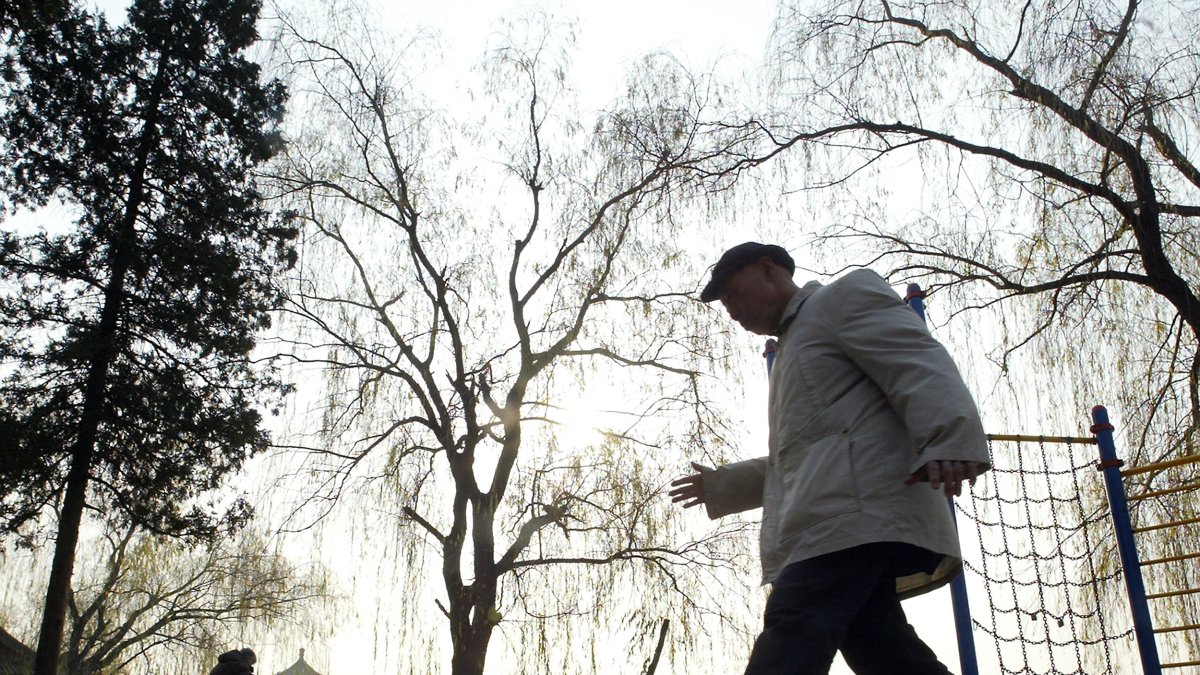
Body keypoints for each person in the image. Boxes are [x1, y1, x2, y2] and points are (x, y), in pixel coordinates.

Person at [669, 242, 990, 674]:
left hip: (852, 514)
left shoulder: (840, 298)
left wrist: (949, 437)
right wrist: (723, 485)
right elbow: (802, 456)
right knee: (885, 652)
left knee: (794, 627)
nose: (730, 309)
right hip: (837, 516)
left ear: (767, 269)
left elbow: (917, 360)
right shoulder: (792, 349)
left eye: (731, 293)